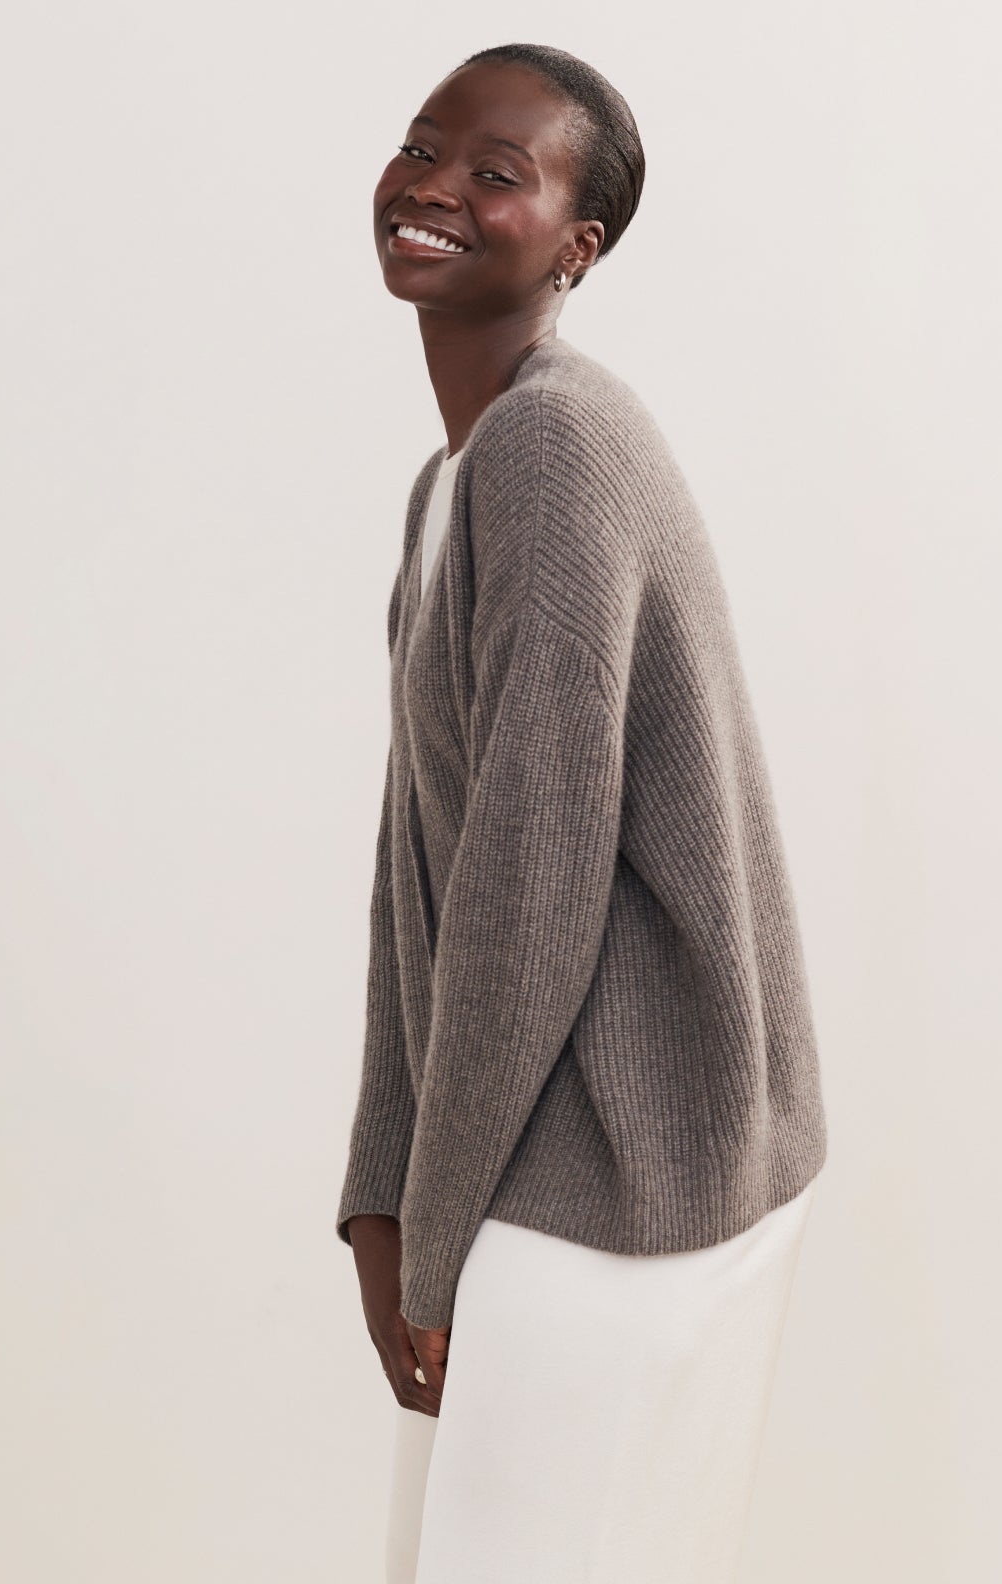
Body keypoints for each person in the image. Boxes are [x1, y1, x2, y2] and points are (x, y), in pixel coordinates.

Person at [335, 41, 829, 1584]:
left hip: (611, 1187)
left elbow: (527, 885)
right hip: (547, 1166)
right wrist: (381, 1192)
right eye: (425, 147)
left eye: (498, 172)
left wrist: (441, 1203)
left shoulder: (552, 447)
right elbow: (419, 865)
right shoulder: (457, 482)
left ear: (576, 245)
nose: (434, 187)